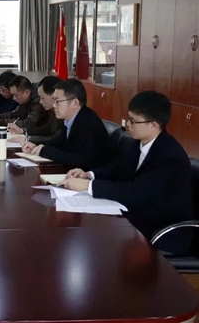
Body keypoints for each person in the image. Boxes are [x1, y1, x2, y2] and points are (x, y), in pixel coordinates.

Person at [59, 91, 193, 254]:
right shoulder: (141, 143)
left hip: (161, 230)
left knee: (96, 242)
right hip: (139, 217)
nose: (128, 124)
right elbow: (120, 169)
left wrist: (88, 186)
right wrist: (89, 174)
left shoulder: (170, 156)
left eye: (133, 121)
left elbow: (136, 192)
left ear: (153, 125)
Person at [21, 78, 111, 170]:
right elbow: (58, 143)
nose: (54, 105)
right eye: (53, 101)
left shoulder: (88, 123)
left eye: (57, 101)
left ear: (75, 103)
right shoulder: (70, 120)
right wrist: (38, 147)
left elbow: (79, 159)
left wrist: (44, 150)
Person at [9, 76, 62, 145]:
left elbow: (55, 139)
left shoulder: (63, 113)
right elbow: (45, 130)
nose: (40, 102)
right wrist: (23, 131)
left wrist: (28, 138)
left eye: (42, 98)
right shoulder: (53, 112)